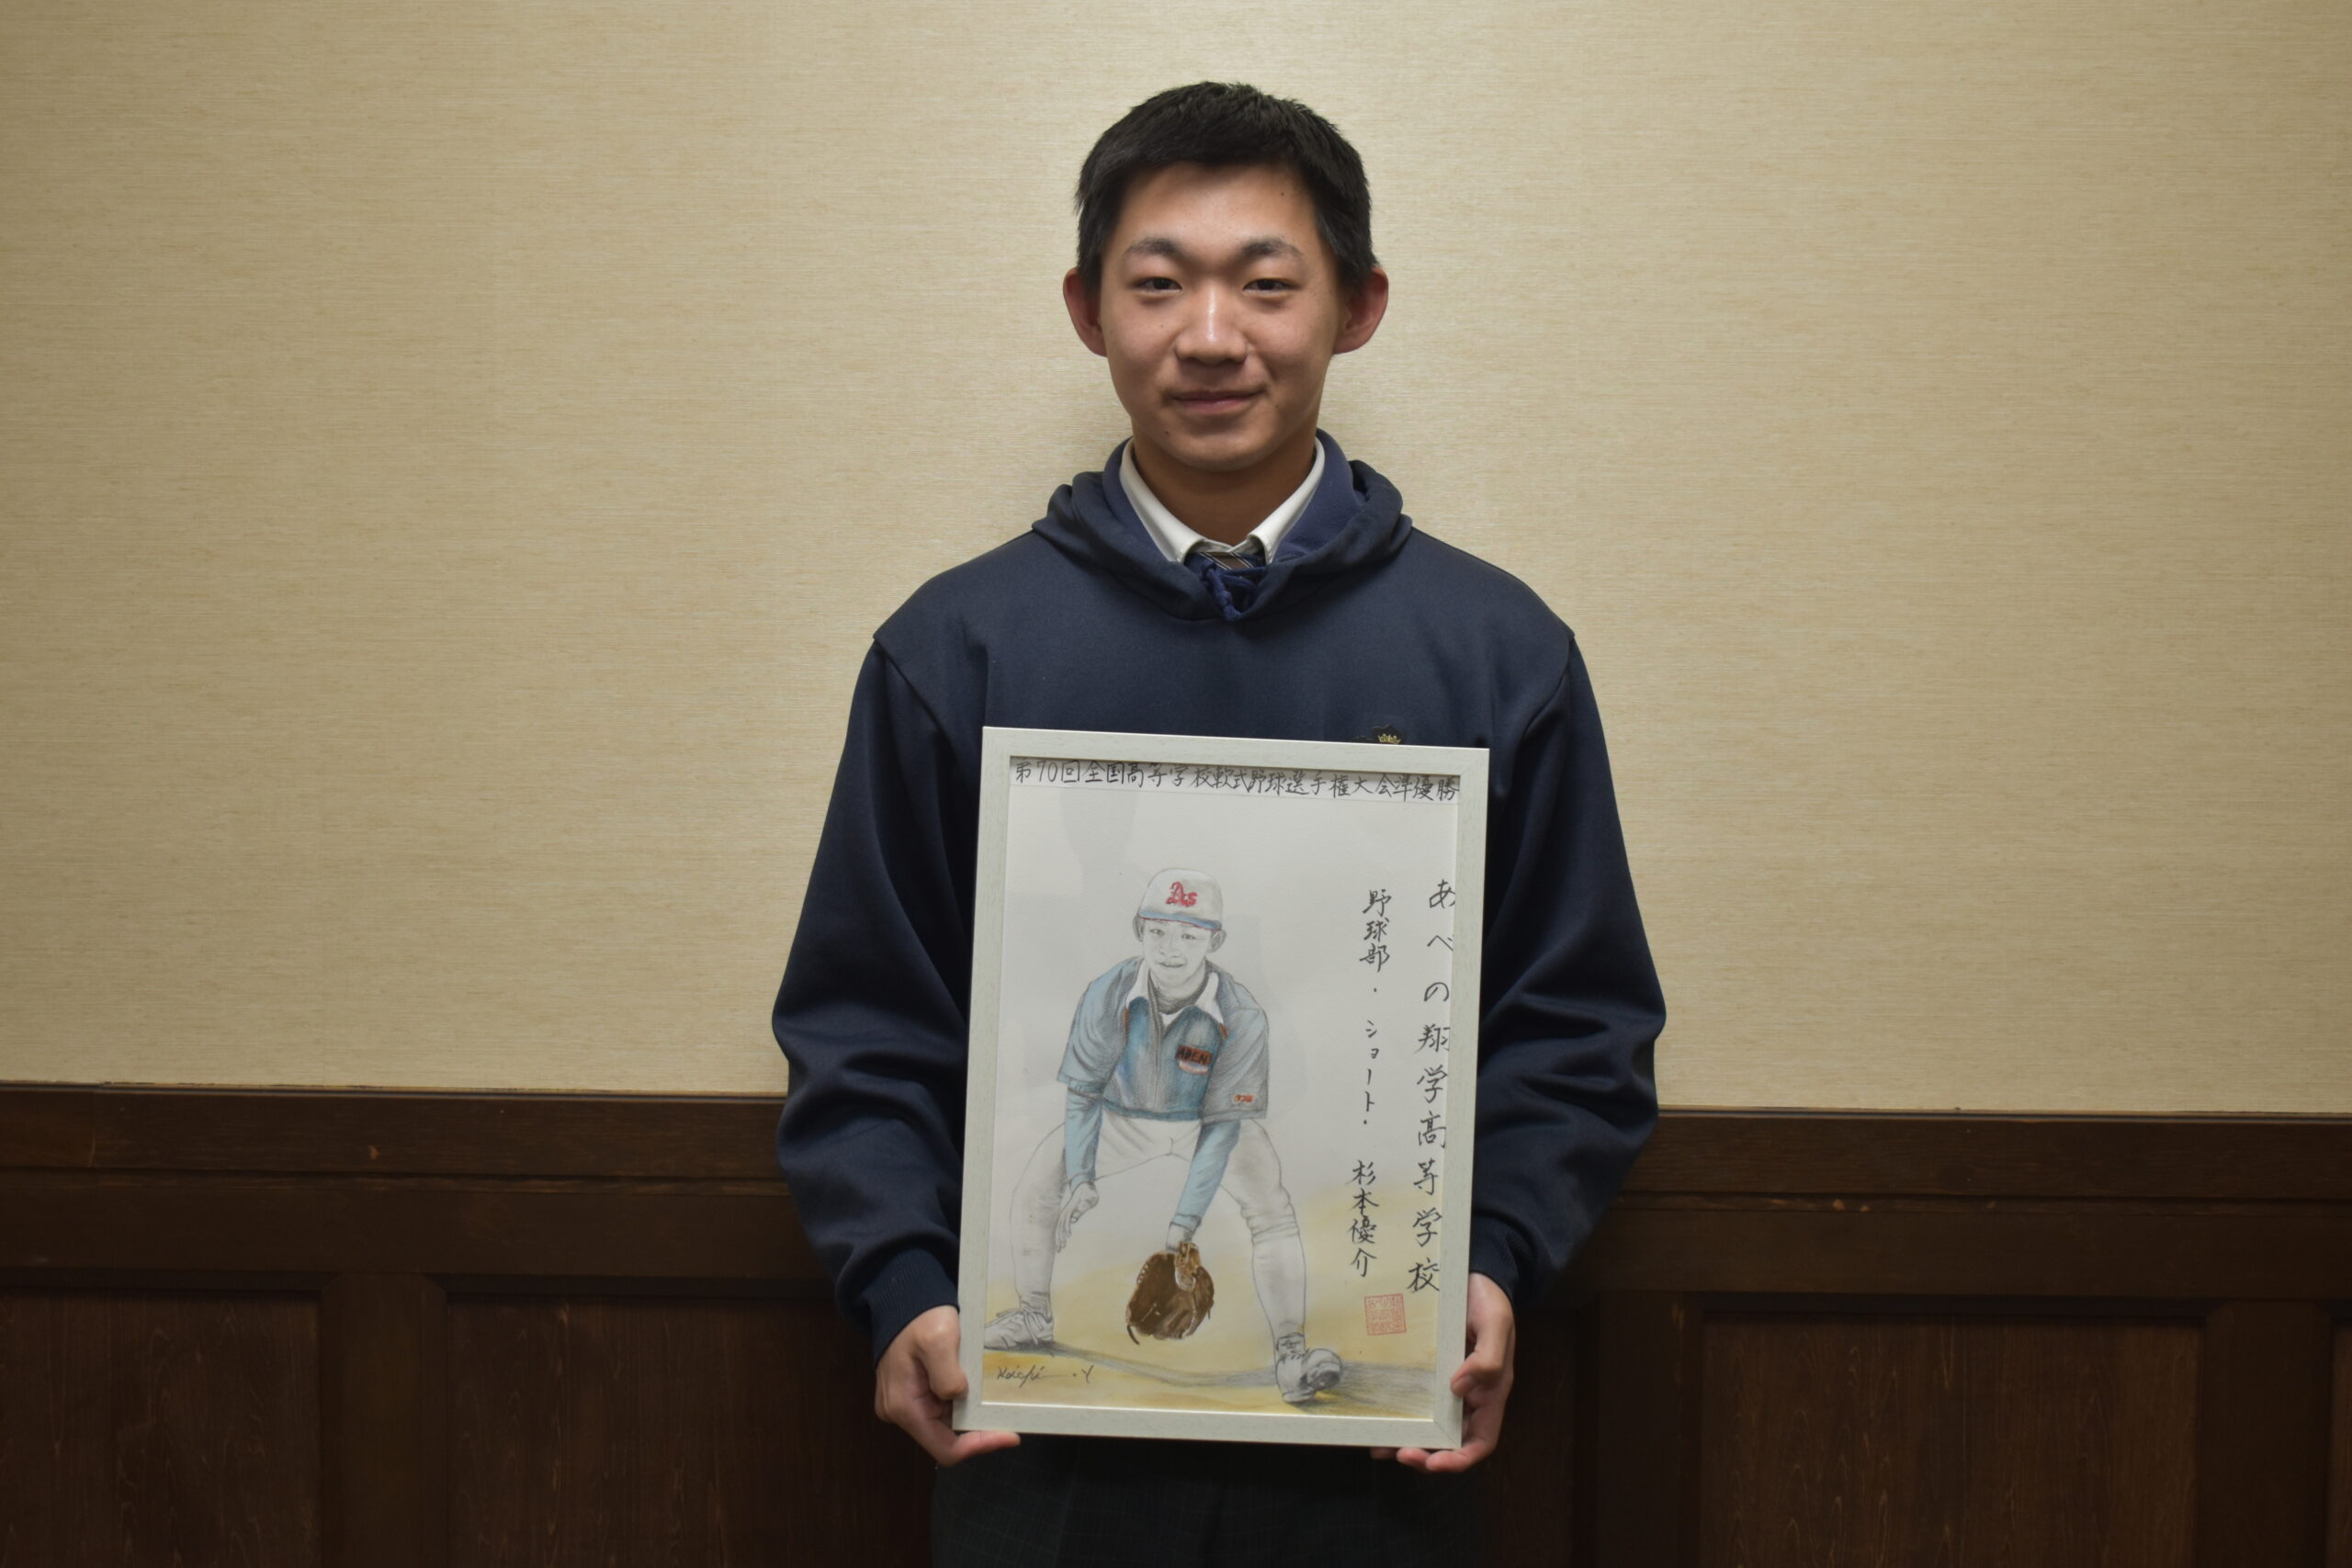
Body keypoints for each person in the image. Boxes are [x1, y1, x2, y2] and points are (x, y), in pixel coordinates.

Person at [772, 81, 1665, 1565]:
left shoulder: (1497, 654)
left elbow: (1577, 1025)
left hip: (1379, 1461)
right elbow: (866, 1023)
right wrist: (906, 1282)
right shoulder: (958, 649)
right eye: (1157, 283)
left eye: (1265, 282)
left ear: (1358, 306)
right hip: (1037, 1465)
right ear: (1087, 309)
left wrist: (1495, 1256)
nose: (1208, 334)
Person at [984, 868, 1344, 1406]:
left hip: (1209, 1124)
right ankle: (1033, 1316)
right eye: (1157, 931)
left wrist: (1182, 1227)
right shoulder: (1108, 992)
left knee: (1271, 1211)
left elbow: (1223, 1129)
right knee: (1040, 1183)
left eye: (1189, 935)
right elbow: (1083, 1095)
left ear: (1214, 941)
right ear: (1140, 930)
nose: (1170, 948)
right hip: (1121, 1117)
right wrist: (1081, 1178)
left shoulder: (1241, 1013)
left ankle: (1292, 1355)